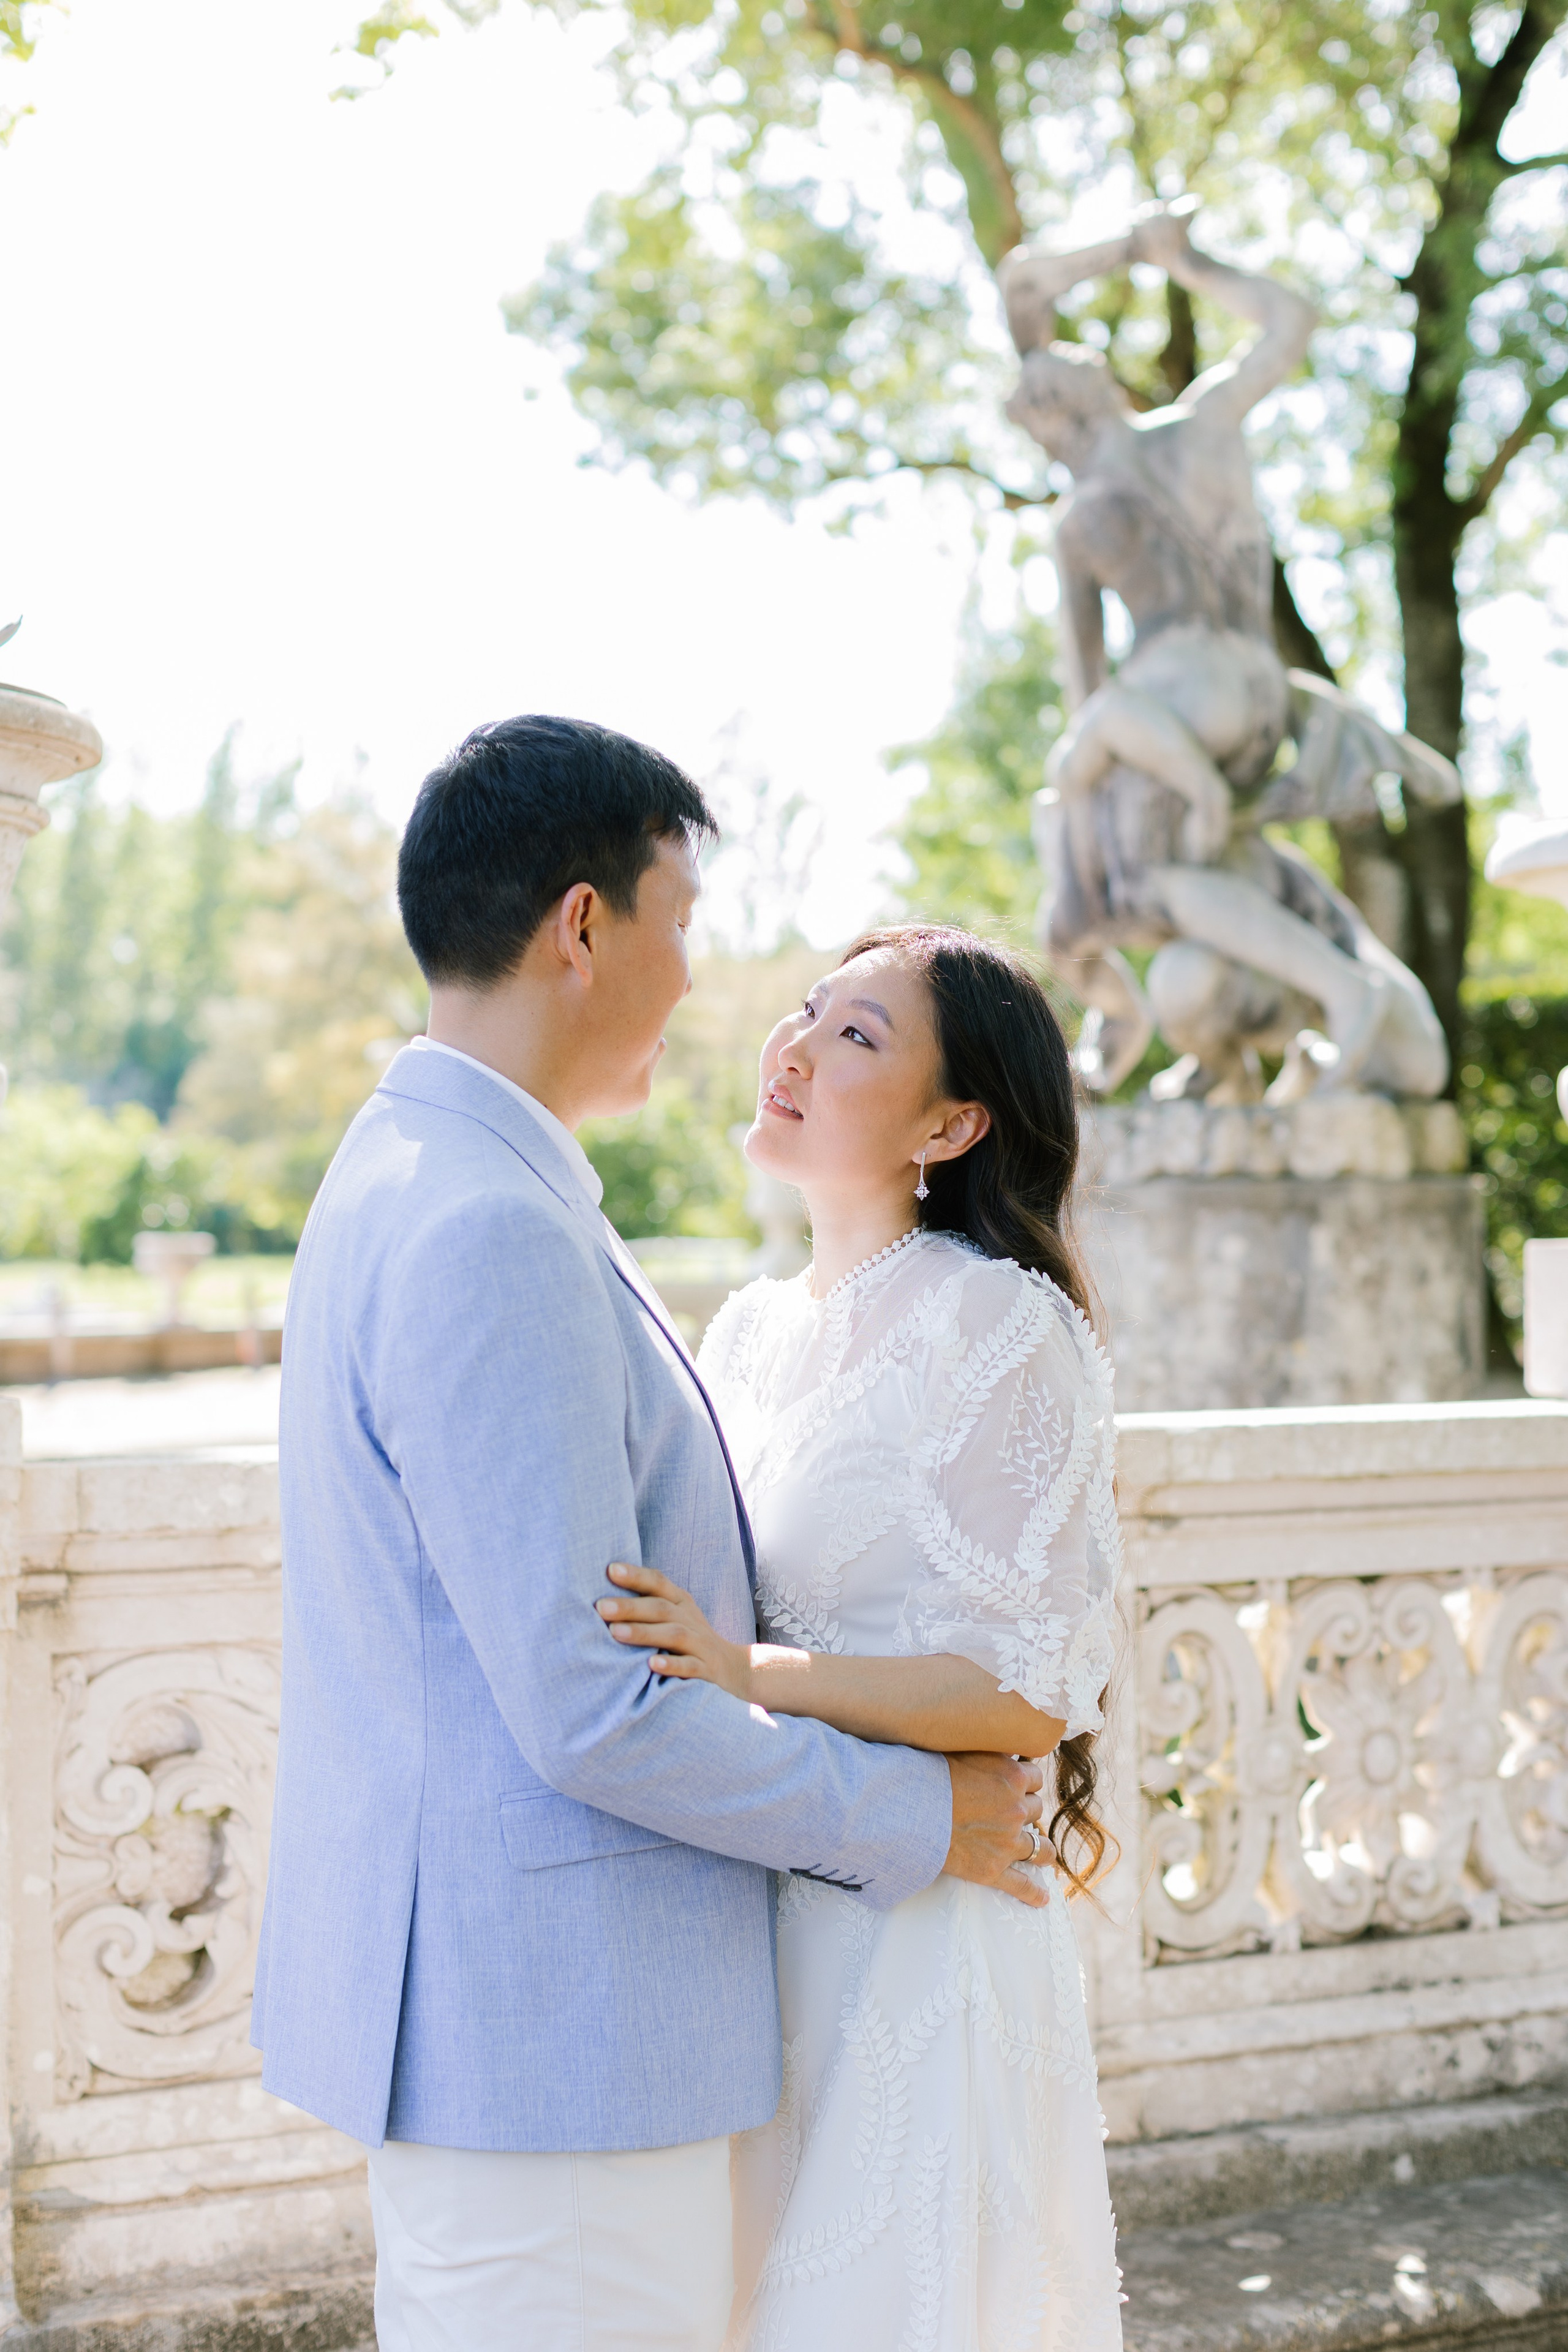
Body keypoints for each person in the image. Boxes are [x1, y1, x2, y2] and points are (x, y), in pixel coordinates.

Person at [250, 716, 1049, 2352]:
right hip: (559, 2068)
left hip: (526, 2046)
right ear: (583, 925)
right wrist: (923, 1820)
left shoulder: (413, 1168)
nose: (700, 982)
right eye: (680, 920)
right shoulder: (488, 1225)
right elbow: (592, 1707)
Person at [595, 924, 1125, 2351]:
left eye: (856, 1036)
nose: (794, 1046)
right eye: (806, 1013)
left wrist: (747, 1671)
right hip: (763, 1916)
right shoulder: (748, 1333)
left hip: (918, 1937)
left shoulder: (998, 1325)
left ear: (950, 1125)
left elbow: (1029, 1689)